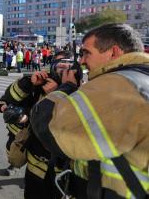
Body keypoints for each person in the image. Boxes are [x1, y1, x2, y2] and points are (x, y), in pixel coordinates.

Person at [31, 23, 149, 198]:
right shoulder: (140, 78)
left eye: (87, 52)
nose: (82, 61)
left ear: (114, 52)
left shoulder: (116, 85)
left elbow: (47, 126)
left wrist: (67, 88)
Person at [0, 51, 73, 199]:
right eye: (57, 66)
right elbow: (9, 99)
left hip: (63, 171)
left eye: (67, 66)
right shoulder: (41, 84)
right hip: (35, 166)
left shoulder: (80, 91)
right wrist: (28, 83)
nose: (61, 71)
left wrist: (59, 93)